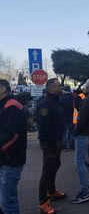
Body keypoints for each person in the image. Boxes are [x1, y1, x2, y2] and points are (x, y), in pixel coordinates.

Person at [37, 78, 67, 214]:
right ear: (51, 88)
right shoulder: (45, 103)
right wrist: (52, 142)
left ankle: (52, 191)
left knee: (56, 164)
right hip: (50, 143)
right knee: (47, 170)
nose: (61, 88)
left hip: (57, 141)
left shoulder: (56, 101)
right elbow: (44, 127)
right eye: (59, 86)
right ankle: (43, 202)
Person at [0, 79, 27, 214]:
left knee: (7, 203)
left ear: (3, 88)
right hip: (5, 158)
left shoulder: (11, 106)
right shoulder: (4, 105)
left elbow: (12, 134)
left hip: (10, 159)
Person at [59, 85, 75, 151]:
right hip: (71, 117)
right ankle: (71, 146)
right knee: (71, 132)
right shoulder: (73, 98)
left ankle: (64, 146)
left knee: (63, 132)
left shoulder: (60, 98)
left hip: (62, 118)